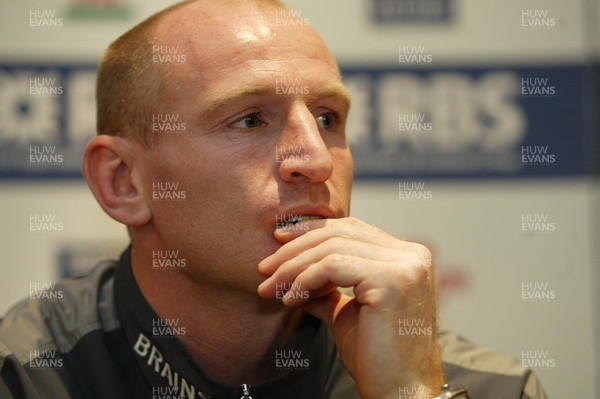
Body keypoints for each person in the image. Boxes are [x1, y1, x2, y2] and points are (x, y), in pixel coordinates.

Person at [0, 0, 547, 398]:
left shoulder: (484, 385)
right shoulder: (27, 374)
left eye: (328, 118)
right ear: (123, 181)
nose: (316, 159)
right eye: (250, 119)